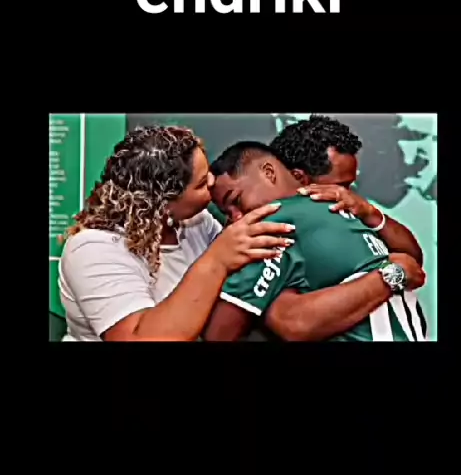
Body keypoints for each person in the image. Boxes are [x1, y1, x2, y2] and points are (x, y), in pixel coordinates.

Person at [59, 124, 424, 342]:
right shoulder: (94, 247)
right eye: (202, 184)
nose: (213, 188)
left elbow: (270, 304)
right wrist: (216, 261)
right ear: (163, 202)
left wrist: (371, 216)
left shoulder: (200, 224)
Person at [203, 141, 427, 341]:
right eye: (227, 213)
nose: (235, 218)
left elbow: (220, 333)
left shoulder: (275, 221)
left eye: (236, 200)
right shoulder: (334, 210)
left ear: (269, 172)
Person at [270, 113, 424, 265]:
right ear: (298, 177)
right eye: (341, 185)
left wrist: (370, 213)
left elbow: (412, 258)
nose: (347, 193)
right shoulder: (269, 229)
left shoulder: (350, 208)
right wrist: (386, 277)